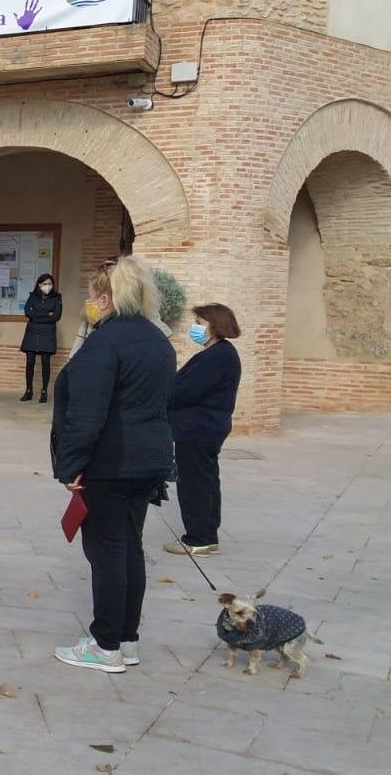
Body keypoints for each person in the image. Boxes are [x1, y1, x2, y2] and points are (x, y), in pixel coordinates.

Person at [49, 256, 176, 674]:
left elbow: (87, 413)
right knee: (129, 549)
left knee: (106, 553)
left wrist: (70, 466)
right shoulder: (158, 340)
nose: (88, 303)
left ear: (104, 299)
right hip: (148, 460)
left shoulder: (105, 343)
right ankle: (126, 639)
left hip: (110, 463)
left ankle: (104, 646)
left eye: (90, 296)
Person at [166, 303, 243, 557]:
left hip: (198, 429)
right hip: (203, 427)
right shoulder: (217, 353)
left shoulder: (218, 356)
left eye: (200, 323)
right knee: (207, 481)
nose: (195, 328)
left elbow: (186, 391)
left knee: (194, 484)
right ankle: (207, 535)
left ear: (215, 325)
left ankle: (197, 538)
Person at [20, 273, 61, 403]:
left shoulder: (57, 297)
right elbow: (27, 312)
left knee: (45, 362)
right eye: (44, 284)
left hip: (47, 334)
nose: (47, 286)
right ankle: (28, 390)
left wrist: (36, 315)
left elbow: (56, 316)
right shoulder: (33, 296)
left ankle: (44, 391)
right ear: (39, 285)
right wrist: (46, 314)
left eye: (49, 284)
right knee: (30, 361)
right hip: (32, 333)